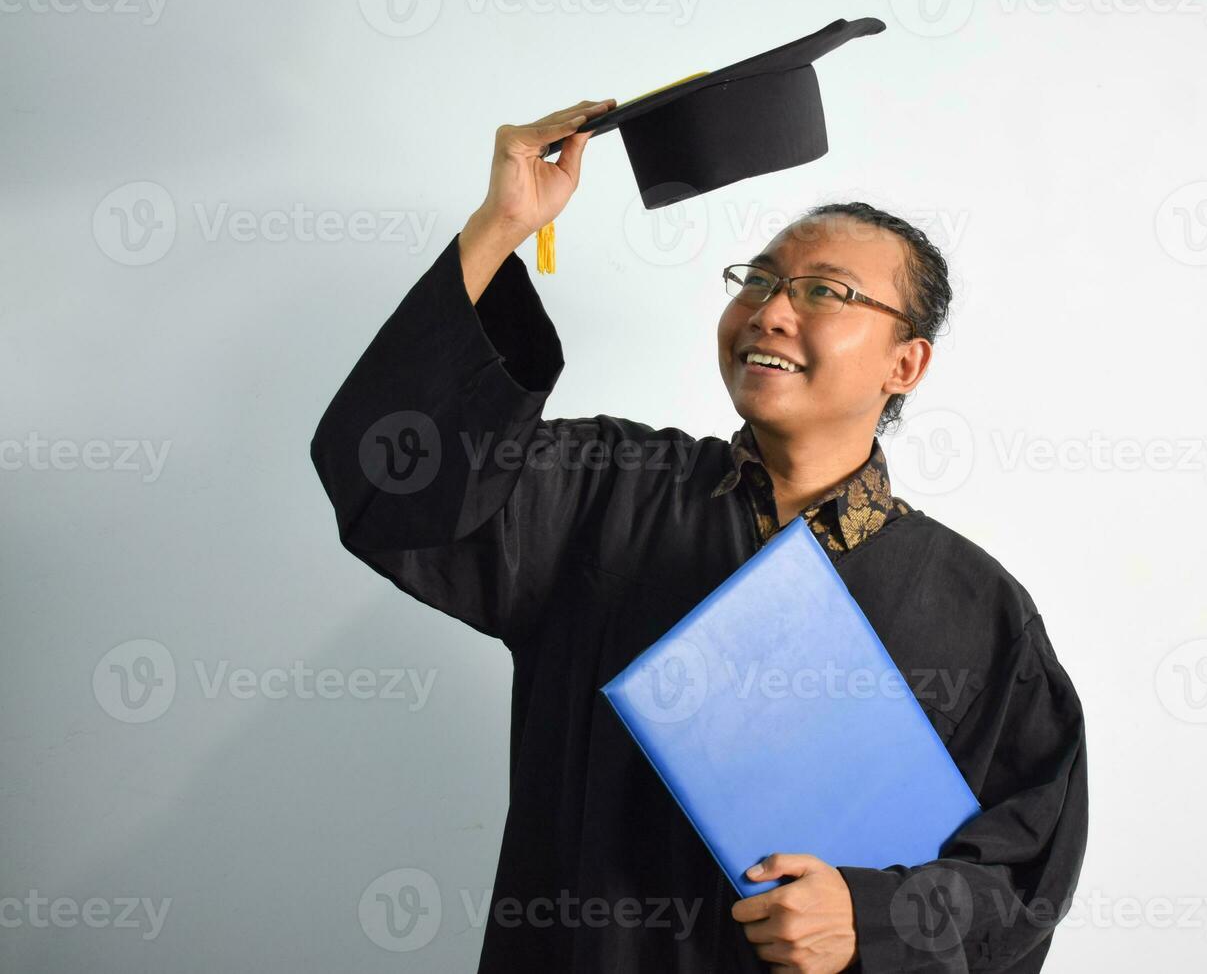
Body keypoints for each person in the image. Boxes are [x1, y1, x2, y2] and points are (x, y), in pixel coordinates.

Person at [311, 99, 1089, 973]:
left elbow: (1026, 875)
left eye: (824, 292)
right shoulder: (604, 491)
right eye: (756, 281)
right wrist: (501, 227)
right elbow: (393, 489)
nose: (770, 310)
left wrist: (873, 916)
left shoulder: (978, 610)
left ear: (904, 364)